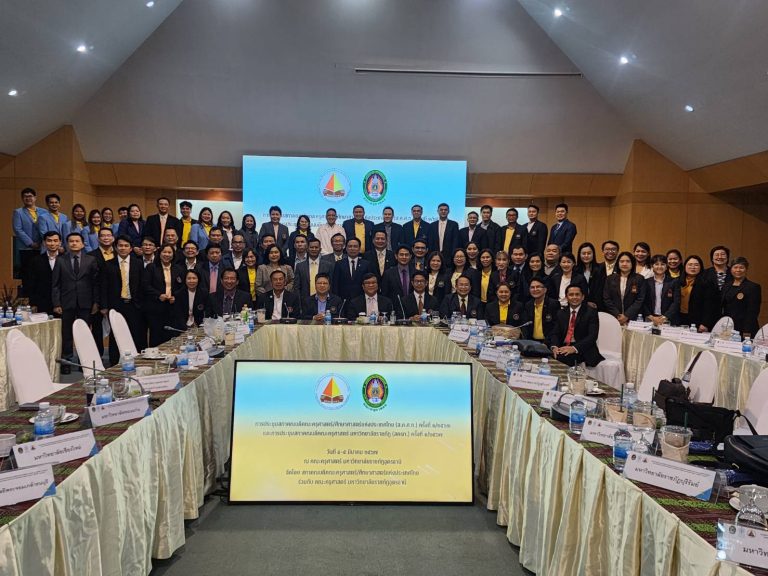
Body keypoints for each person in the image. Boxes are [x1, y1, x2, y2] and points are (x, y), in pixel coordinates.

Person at [52, 233, 100, 370]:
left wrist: (96, 302)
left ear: (83, 244)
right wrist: (56, 303)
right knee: (66, 333)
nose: (74, 243)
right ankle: (66, 363)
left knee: (84, 333)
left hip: (86, 303)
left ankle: (83, 362)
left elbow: (95, 283)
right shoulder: (60, 260)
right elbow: (55, 284)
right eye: (71, 241)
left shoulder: (91, 260)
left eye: (77, 241)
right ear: (67, 244)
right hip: (66, 303)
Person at [101, 235, 145, 363]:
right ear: (115, 247)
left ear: (131, 248)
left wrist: (141, 303)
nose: (123, 248)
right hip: (116, 305)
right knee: (116, 334)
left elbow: (142, 285)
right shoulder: (108, 264)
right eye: (120, 245)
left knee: (135, 333)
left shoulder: (138, 263)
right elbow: (104, 286)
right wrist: (104, 306)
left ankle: (136, 361)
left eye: (126, 246)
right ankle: (114, 361)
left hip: (134, 305)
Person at [551, 285, 604, 367]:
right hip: (564, 346)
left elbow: (592, 336)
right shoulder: (561, 313)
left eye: (577, 294)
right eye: (571, 295)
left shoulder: (591, 312)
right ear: (566, 297)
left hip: (583, 348)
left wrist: (574, 348)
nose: (574, 297)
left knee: (563, 358)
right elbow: (555, 333)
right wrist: (555, 347)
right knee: (548, 355)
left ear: (582, 297)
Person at [143, 244, 184, 346]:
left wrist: (176, 297)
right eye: (164, 252)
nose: (167, 254)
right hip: (156, 307)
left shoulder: (178, 269)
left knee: (171, 336)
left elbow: (182, 287)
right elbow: (145, 286)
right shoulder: (151, 267)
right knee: (156, 336)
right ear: (159, 253)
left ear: (173, 254)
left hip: (172, 307)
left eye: (169, 252)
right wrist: (158, 295)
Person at [88, 227, 116, 357]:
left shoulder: (119, 253)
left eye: (108, 235)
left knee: (116, 329)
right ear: (98, 239)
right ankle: (97, 357)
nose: (106, 238)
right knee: (97, 330)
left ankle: (114, 357)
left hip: (115, 297)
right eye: (103, 236)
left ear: (113, 238)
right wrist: (97, 302)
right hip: (98, 297)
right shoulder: (91, 256)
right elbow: (93, 281)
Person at [603, 251, 647, 326]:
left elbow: (640, 299)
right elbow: (607, 298)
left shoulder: (639, 279)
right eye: (622, 261)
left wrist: (627, 315)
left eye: (628, 261)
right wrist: (617, 314)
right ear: (618, 263)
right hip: (614, 317)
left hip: (633, 318)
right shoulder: (610, 279)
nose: (624, 264)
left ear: (632, 263)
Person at [722, 257, 761, 338]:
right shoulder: (726, 286)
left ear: (746, 269)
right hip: (728, 327)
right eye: (735, 267)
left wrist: (747, 331)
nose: (738, 270)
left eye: (741, 267)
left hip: (744, 329)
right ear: (731, 269)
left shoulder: (753, 287)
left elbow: (752, 312)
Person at [677, 255, 718, 332]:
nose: (693, 267)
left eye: (696, 265)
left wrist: (705, 323)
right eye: (690, 265)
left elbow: (710, 306)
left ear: (701, 267)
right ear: (685, 266)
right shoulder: (678, 281)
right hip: (679, 318)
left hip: (697, 320)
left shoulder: (707, 283)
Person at [28, 231, 61, 314]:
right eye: (49, 241)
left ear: (60, 242)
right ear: (44, 243)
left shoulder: (67, 260)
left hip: (63, 303)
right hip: (42, 303)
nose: (52, 243)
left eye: (55, 240)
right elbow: (31, 283)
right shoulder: (35, 261)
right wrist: (33, 303)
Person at [643, 254, 680, 326]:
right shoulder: (646, 282)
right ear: (652, 266)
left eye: (662, 264)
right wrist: (651, 317)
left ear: (666, 267)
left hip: (668, 319)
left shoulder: (674, 282)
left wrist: (664, 317)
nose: (659, 267)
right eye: (656, 264)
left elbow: (676, 302)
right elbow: (643, 301)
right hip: (650, 319)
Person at [294, 238, 335, 303]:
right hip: (305, 303)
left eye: (316, 247)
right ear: (307, 249)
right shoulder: (300, 266)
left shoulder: (328, 266)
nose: (314, 249)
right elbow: (296, 288)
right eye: (311, 247)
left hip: (325, 302)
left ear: (320, 249)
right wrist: (299, 303)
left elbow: (331, 286)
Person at [522, 278, 560, 343]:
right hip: (532, 342)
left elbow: (555, 327)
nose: (535, 289)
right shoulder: (528, 305)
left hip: (548, 342)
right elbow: (526, 328)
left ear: (545, 290)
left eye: (538, 287)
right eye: (532, 287)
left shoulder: (553, 304)